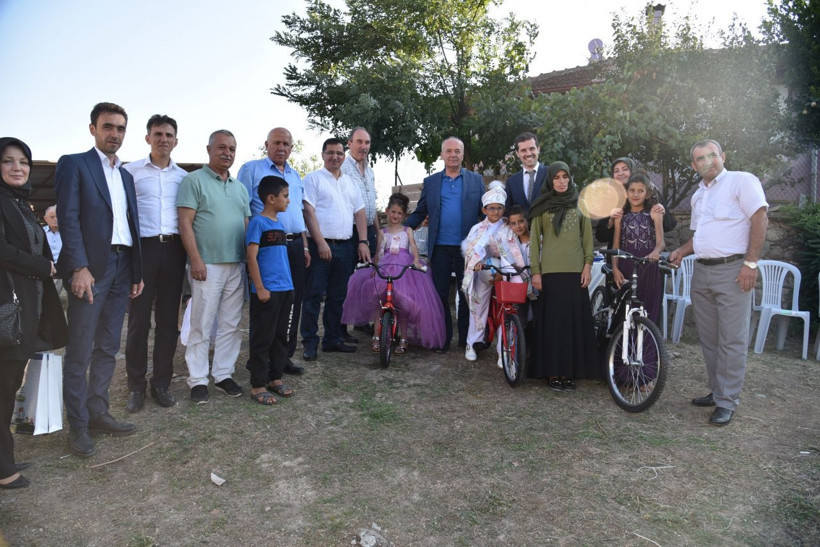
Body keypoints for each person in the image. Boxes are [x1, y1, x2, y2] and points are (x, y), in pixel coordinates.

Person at [55, 102, 144, 458]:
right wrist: (78, 266)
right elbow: (68, 216)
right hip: (91, 267)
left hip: (123, 266)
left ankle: (98, 412)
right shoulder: (74, 164)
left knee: (108, 345)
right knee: (79, 350)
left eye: (121, 128)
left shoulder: (125, 175)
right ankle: (77, 425)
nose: (115, 134)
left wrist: (136, 271)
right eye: (108, 127)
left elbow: (130, 224)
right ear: (93, 128)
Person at [669, 139, 768, 426]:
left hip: (734, 270)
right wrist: (682, 250)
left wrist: (750, 263)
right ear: (694, 165)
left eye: (712, 155)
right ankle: (716, 391)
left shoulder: (742, 181)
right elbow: (700, 236)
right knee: (709, 338)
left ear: (722, 156)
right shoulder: (698, 195)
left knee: (732, 338)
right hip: (702, 271)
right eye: (701, 158)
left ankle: (727, 401)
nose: (708, 161)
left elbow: (760, 218)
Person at [0, 138, 67, 488]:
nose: (17, 167)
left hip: (25, 305)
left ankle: (4, 457)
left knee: (9, 386)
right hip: (6, 309)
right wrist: (44, 266)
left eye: (23, 161)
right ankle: (3, 470)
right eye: (8, 161)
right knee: (3, 386)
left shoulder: (18, 202)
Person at [177, 130, 251, 405]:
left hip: (236, 264)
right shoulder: (193, 180)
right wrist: (195, 259)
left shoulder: (239, 187)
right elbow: (185, 223)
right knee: (201, 323)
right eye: (222, 147)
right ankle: (197, 379)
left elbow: (246, 226)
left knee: (231, 325)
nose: (227, 153)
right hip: (206, 263)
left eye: (232, 148)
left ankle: (223, 374)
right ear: (208, 149)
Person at [122, 115, 188, 412]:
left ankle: (160, 383)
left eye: (169, 134)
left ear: (176, 140)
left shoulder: (183, 178)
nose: (164, 139)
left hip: (174, 251)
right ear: (148, 138)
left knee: (167, 323)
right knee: (137, 322)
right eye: (158, 134)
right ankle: (135, 385)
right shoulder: (130, 172)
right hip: (142, 251)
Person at [237, 127, 308, 375]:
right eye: (277, 142)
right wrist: (249, 242)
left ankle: (282, 359)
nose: (282, 148)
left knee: (291, 303)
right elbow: (242, 207)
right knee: (265, 305)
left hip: (294, 245)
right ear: (266, 144)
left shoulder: (296, 175)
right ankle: (259, 359)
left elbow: (298, 211)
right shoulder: (251, 169)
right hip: (265, 247)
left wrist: (305, 244)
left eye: (286, 144)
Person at [405, 137, 484, 352]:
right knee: (440, 294)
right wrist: (403, 228)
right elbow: (421, 211)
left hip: (467, 248)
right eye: (448, 151)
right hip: (439, 247)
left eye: (457, 151)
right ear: (442, 155)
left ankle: (467, 340)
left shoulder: (476, 181)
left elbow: (484, 213)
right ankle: (444, 338)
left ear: (462, 153)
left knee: (467, 293)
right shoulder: (431, 182)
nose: (453, 155)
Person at [342, 192, 445, 353]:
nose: (395, 216)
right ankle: (376, 336)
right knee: (379, 301)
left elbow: (413, 247)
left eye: (399, 213)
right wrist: (375, 268)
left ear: (403, 215)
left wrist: (416, 261)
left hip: (404, 269)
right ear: (387, 211)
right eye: (393, 212)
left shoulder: (407, 230)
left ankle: (403, 339)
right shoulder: (382, 232)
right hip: (386, 266)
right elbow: (379, 252)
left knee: (403, 304)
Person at [529, 161, 598, 391]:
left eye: (565, 177)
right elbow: (533, 244)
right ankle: (552, 372)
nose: (561, 181)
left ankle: (569, 372)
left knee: (572, 325)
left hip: (575, 273)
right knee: (553, 325)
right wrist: (536, 272)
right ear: (550, 180)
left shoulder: (580, 205)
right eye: (556, 177)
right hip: (550, 273)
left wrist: (588, 265)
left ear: (570, 179)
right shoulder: (541, 206)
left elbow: (588, 239)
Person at [301, 138, 371, 360]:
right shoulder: (313, 179)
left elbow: (359, 212)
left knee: (338, 296)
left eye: (339, 153)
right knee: (312, 296)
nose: (335, 157)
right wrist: (320, 242)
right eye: (330, 153)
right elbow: (308, 211)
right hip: (320, 245)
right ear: (322, 155)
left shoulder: (350, 182)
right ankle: (310, 343)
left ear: (344, 155)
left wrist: (363, 241)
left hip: (345, 247)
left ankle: (332, 339)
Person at [461, 184, 527, 362]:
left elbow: (514, 251)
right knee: (478, 306)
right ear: (484, 209)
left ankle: (503, 349)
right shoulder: (476, 229)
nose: (496, 212)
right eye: (492, 208)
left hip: (505, 270)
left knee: (508, 307)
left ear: (504, 209)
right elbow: (470, 251)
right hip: (484, 271)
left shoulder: (508, 227)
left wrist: (507, 271)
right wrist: (476, 263)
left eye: (499, 208)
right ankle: (472, 342)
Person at [245, 176, 295, 405]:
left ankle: (275, 378)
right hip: (267, 292)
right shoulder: (258, 223)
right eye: (285, 196)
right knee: (262, 338)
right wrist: (260, 288)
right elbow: (251, 257)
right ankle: (257, 385)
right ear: (271, 198)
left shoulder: (280, 224)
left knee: (281, 336)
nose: (288, 200)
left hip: (286, 290)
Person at [341, 127, 380, 342]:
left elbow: (371, 205)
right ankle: (341, 327)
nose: (363, 146)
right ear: (349, 143)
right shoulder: (343, 168)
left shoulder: (370, 170)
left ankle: (362, 320)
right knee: (347, 279)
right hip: (350, 231)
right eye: (359, 142)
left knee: (369, 277)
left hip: (369, 233)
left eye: (367, 142)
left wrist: (377, 232)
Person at [611, 174, 665, 326]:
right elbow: (616, 246)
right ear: (626, 193)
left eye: (640, 191)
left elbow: (661, 243)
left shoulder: (654, 214)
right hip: (626, 265)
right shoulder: (620, 216)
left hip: (648, 263)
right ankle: (622, 347)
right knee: (625, 308)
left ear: (647, 194)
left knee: (646, 307)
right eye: (632, 190)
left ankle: (646, 348)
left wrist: (656, 252)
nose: (635, 194)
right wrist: (615, 268)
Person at [594, 157, 676, 246]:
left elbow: (670, 225)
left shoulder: (650, 193)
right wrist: (610, 221)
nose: (620, 173)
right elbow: (600, 237)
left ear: (633, 171)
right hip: (619, 256)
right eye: (616, 171)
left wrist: (662, 213)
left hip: (648, 255)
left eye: (625, 169)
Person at [507, 204, 537, 367]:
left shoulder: (537, 239)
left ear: (527, 221)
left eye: (521, 222)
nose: (518, 226)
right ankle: (520, 358)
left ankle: (535, 358)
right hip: (519, 288)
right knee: (521, 321)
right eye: (514, 223)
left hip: (537, 286)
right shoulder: (511, 243)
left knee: (536, 321)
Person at [504, 132, 548, 213]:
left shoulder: (551, 174)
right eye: (523, 150)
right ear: (517, 153)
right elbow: (508, 211)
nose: (528, 153)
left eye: (532, 148)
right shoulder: (511, 182)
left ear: (538, 149)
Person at [42, 205, 63, 294]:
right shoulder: (41, 232)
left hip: (64, 271)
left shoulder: (68, 233)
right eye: (52, 217)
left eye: (58, 216)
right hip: (47, 270)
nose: (56, 219)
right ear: (46, 219)